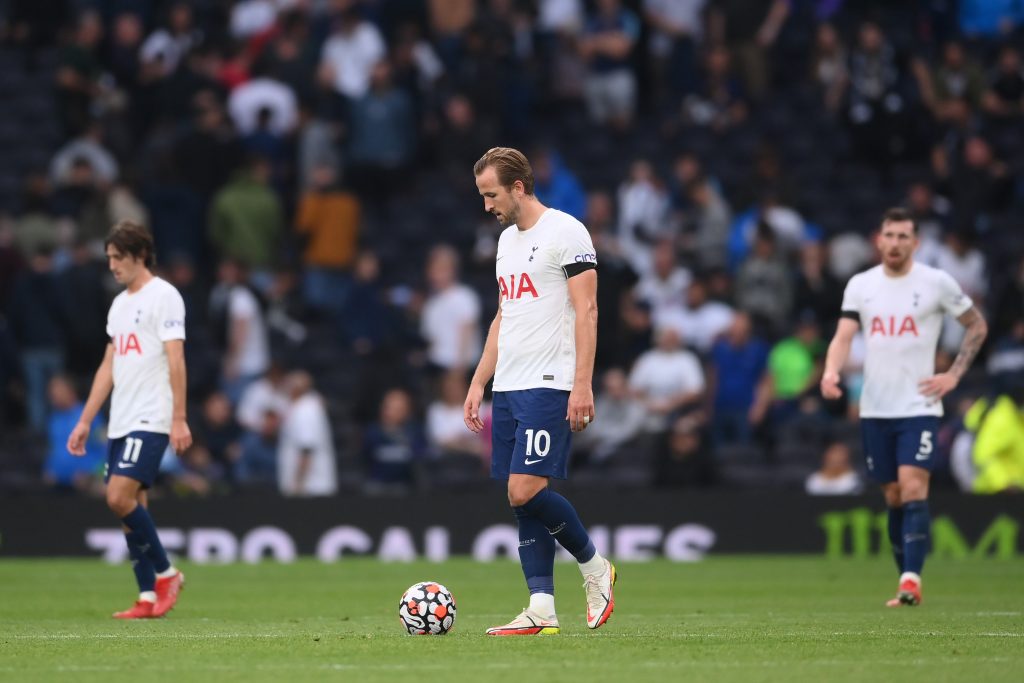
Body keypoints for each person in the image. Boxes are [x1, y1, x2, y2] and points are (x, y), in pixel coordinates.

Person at [464, 147, 616, 636]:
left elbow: (587, 310)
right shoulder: (506, 242)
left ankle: (595, 568)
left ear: (518, 187)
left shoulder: (567, 232)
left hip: (550, 382)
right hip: (509, 383)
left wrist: (582, 383)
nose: (487, 206)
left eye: (491, 195)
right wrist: (478, 381)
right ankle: (541, 607)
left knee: (523, 487)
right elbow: (504, 315)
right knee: (521, 497)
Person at [821, 208, 988, 607]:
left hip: (919, 406)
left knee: (914, 487)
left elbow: (977, 325)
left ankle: (911, 580)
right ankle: (905, 579)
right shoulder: (861, 285)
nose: (895, 243)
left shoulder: (936, 283)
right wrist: (830, 371)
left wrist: (954, 376)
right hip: (875, 409)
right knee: (893, 495)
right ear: (878, 240)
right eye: (889, 235)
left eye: (903, 237)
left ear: (915, 243)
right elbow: (844, 336)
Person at [66, 220, 192, 619]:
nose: (112, 266)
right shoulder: (120, 304)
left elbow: (176, 358)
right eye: (108, 259)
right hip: (120, 418)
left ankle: (167, 574)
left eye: (117, 258)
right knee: (130, 506)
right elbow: (109, 365)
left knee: (116, 496)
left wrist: (179, 417)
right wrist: (85, 419)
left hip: (150, 415)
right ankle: (147, 597)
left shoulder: (164, 297)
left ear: (139, 255)